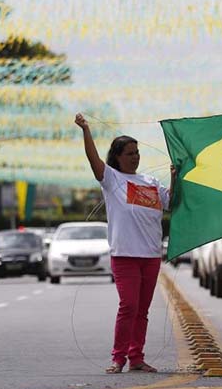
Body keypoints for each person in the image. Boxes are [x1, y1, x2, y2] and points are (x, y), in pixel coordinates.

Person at [74, 113, 176, 374]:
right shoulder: (111, 179)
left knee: (142, 310)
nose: (135, 156)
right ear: (118, 157)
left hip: (151, 256)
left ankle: (137, 358)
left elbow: (171, 203)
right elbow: (92, 159)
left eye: (137, 152)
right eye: (130, 153)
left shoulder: (151, 182)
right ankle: (118, 358)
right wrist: (86, 130)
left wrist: (175, 177)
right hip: (125, 255)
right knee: (128, 306)